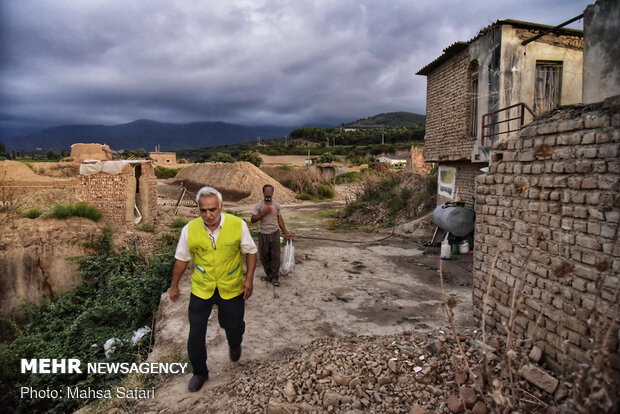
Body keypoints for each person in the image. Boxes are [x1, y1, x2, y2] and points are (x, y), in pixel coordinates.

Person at [168, 186, 258, 392]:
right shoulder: (189, 229)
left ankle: (235, 343)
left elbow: (251, 251)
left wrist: (249, 279)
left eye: (213, 210)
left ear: (221, 207)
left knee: (233, 326)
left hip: (231, 287)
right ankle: (200, 372)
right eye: (203, 210)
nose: (208, 215)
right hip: (202, 288)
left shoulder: (237, 225)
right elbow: (182, 259)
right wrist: (174, 286)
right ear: (198, 209)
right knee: (196, 333)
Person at [251, 184, 292, 287]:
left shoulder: (276, 205)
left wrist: (285, 232)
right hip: (263, 234)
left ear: (273, 193)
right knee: (264, 256)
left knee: (275, 256)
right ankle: (269, 275)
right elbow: (252, 220)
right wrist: (263, 213)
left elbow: (280, 219)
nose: (268, 195)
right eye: (266, 193)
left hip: (275, 233)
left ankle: (274, 277)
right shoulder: (259, 205)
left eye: (270, 193)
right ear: (263, 193)